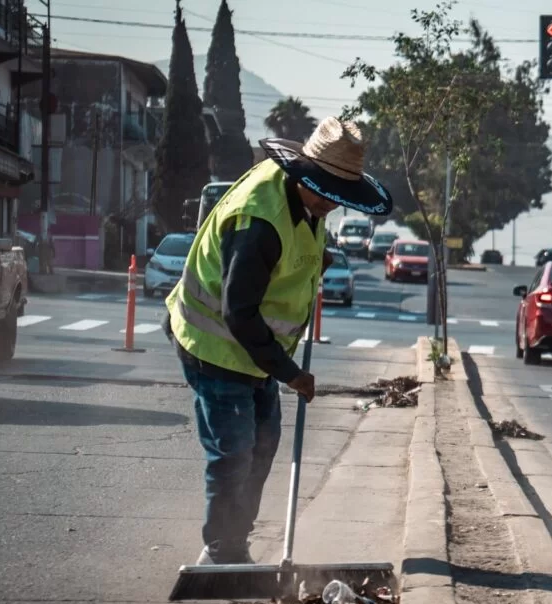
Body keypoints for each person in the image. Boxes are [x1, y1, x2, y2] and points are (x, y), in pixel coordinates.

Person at [165, 117, 393, 565]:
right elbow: (239, 313)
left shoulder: (309, 202)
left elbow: (295, 252)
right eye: (327, 191)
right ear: (304, 176)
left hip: (255, 354)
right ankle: (222, 553)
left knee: (263, 447)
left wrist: (316, 258)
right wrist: (292, 375)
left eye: (340, 195)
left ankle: (234, 541)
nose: (333, 203)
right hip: (215, 344)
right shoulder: (259, 222)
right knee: (234, 453)